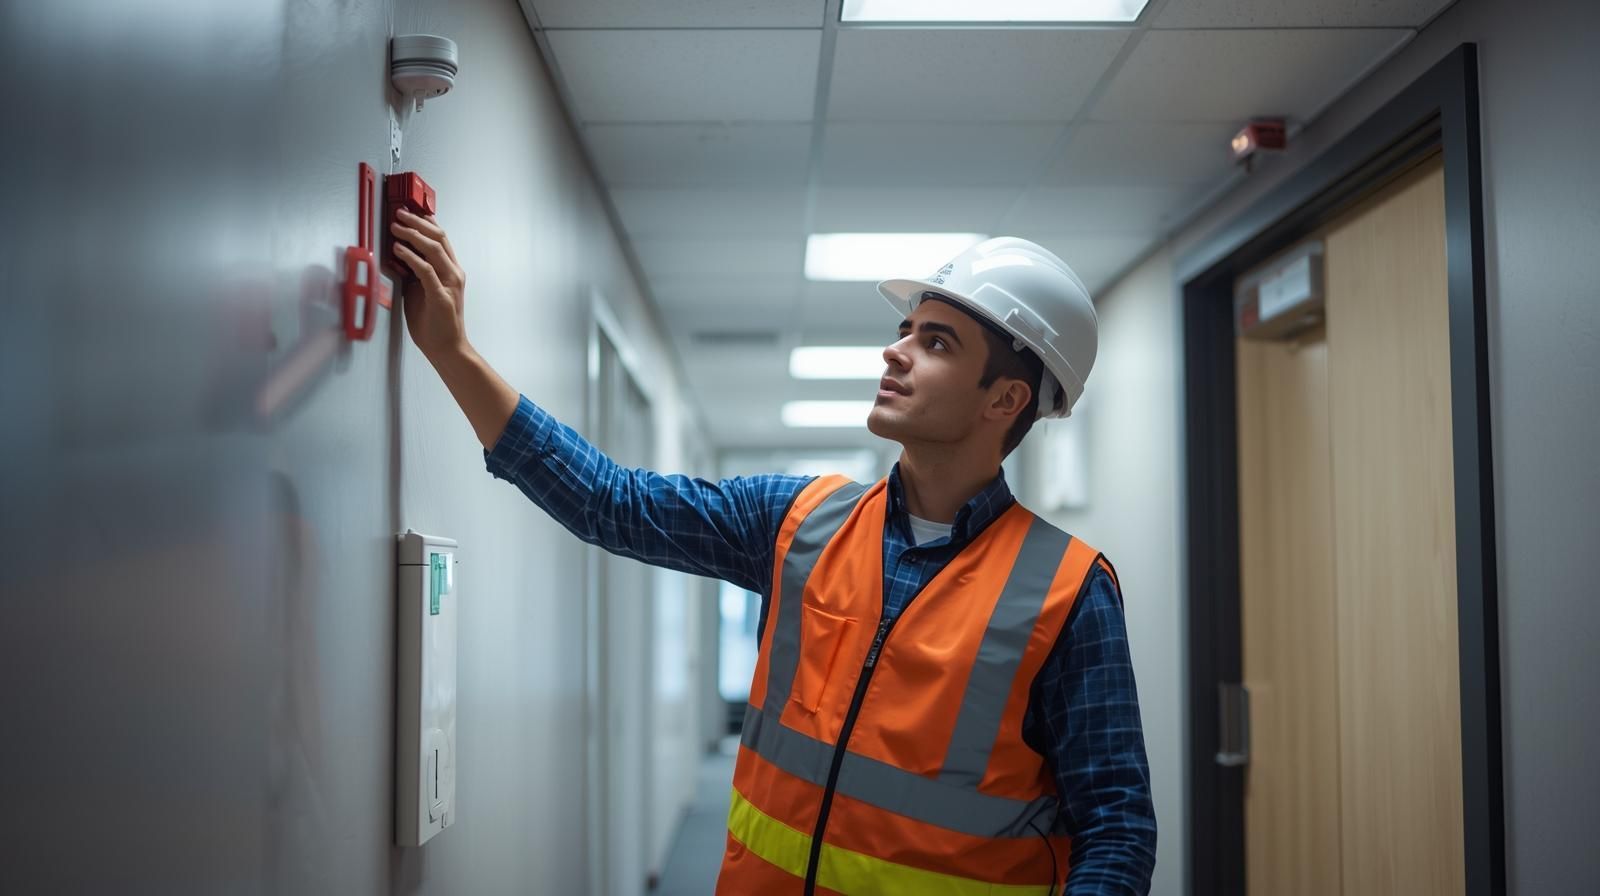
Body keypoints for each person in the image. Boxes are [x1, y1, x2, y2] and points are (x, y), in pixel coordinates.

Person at [390, 209, 1156, 895]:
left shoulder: (1067, 591)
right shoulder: (800, 521)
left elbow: (1116, 833)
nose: (895, 354)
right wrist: (452, 350)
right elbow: (608, 502)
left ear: (1005, 400)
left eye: (936, 342)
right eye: (903, 332)